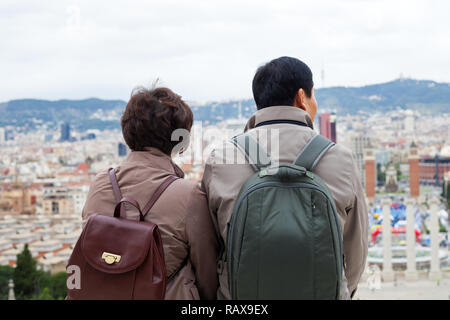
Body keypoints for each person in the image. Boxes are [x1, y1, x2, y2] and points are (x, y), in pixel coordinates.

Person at [202, 56, 368, 300]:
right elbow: (356, 247)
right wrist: (342, 290)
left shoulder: (222, 158)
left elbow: (209, 246)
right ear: (302, 97)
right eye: (314, 95)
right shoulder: (339, 158)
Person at [82, 86, 219, 300]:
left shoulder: (100, 184)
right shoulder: (189, 195)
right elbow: (207, 273)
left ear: (127, 131)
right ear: (181, 141)